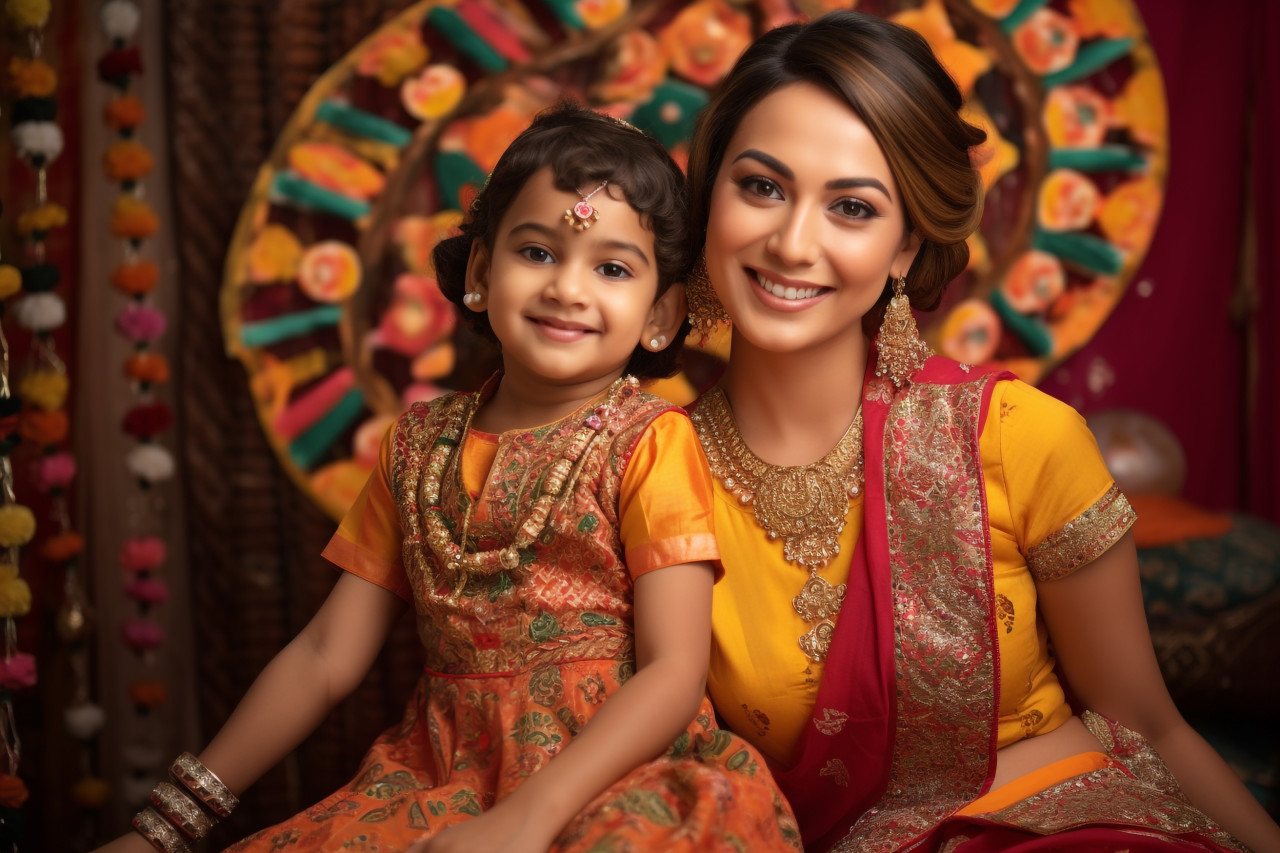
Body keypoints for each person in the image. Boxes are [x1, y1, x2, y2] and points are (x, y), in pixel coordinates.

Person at [100, 105, 799, 853]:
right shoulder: (416, 447)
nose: (568, 287)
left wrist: (527, 819)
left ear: (660, 314)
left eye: (612, 267)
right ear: (478, 271)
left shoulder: (651, 443)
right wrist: (163, 828)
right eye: (537, 252)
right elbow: (323, 657)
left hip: (620, 775)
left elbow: (674, 670)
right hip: (439, 776)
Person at [682, 10, 1280, 853]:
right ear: (708, 198)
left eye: (852, 207)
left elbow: (1151, 725)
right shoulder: (647, 471)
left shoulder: (1014, 435)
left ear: (904, 246)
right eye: (762, 186)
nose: (792, 240)